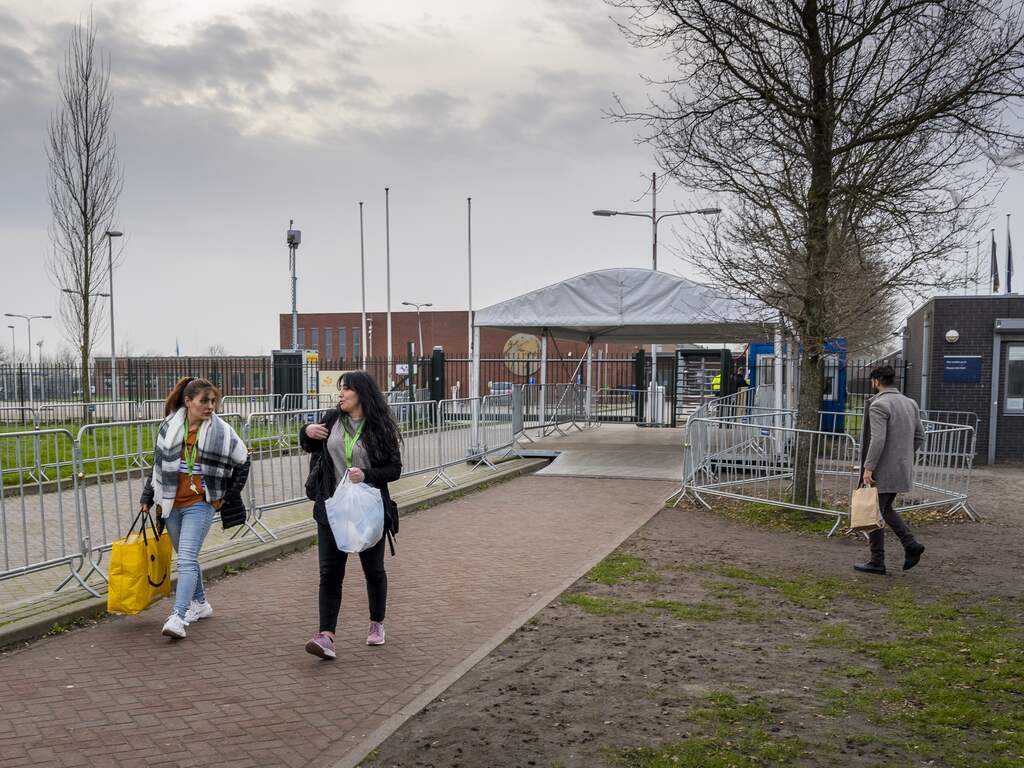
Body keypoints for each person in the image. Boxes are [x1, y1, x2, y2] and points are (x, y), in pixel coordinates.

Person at [300, 370, 402, 659]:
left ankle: (376, 622)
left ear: (361, 393)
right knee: (329, 573)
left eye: (346, 389)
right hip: (332, 509)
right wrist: (306, 431)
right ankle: (326, 637)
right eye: (340, 389)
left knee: (373, 570)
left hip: (367, 510)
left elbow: (394, 469)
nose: (340, 394)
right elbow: (310, 444)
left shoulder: (379, 426)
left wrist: (366, 474)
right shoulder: (332, 419)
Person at [140, 377, 250, 639]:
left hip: (201, 504)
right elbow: (157, 465)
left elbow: (244, 461)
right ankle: (200, 604)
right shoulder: (169, 427)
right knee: (187, 558)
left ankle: (178, 617)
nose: (210, 406)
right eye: (204, 401)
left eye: (213, 401)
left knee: (187, 559)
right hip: (171, 503)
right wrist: (147, 496)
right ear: (188, 402)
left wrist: (226, 495)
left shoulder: (223, 431)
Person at [854, 365, 926, 576]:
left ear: (876, 381)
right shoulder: (910, 403)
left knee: (875, 511)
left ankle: (882, 559)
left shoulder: (879, 404)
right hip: (901, 467)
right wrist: (902, 455)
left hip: (882, 469)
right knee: (883, 509)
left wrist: (868, 468)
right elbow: (920, 436)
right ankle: (905, 547)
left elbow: (878, 439)